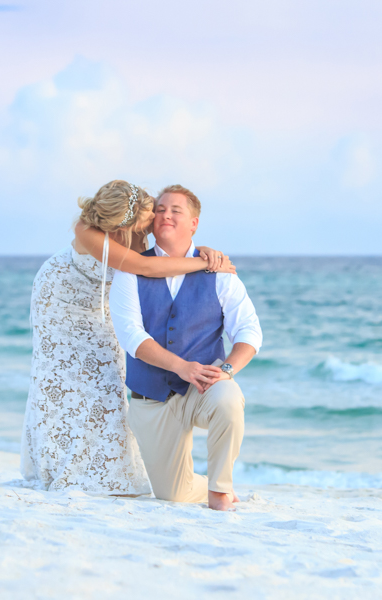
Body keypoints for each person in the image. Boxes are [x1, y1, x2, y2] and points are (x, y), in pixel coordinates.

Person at [21, 179, 234, 495]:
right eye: (147, 222)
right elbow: (147, 267)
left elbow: (162, 254)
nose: (153, 227)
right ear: (122, 224)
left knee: (112, 371)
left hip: (98, 302)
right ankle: (67, 461)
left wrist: (202, 250)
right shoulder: (87, 232)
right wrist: (203, 263)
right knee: (69, 377)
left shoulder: (134, 229)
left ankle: (114, 465)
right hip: (62, 298)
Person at [108, 184, 262, 511]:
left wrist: (227, 370)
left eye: (176, 210)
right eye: (160, 209)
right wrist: (181, 367)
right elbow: (131, 336)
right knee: (172, 495)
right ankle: (205, 487)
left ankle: (220, 491)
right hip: (152, 397)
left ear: (194, 223)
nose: (166, 214)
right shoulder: (131, 270)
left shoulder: (221, 274)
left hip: (202, 388)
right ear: (150, 221)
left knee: (229, 399)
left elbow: (249, 330)